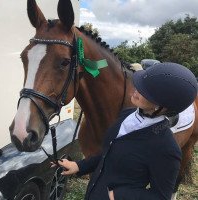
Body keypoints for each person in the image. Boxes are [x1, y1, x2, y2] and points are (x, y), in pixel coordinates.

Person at [52, 62, 198, 200]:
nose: (137, 89)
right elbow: (109, 153)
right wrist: (79, 166)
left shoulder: (166, 149)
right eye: (141, 85)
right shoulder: (127, 114)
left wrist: (122, 195)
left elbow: (160, 197)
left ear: (163, 107)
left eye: (146, 92)